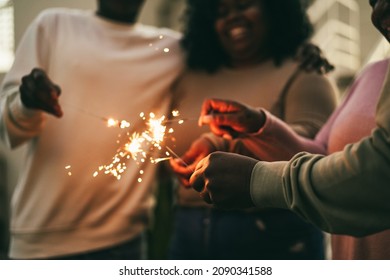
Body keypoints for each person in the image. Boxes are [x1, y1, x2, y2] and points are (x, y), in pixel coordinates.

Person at [189, 0, 390, 260]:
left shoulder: (304, 70)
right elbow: (323, 156)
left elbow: (378, 175)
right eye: (372, 0)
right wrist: (258, 126)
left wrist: (255, 180)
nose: (378, 10)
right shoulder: (372, 73)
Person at [0, 0, 183, 259]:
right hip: (42, 240)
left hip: (125, 240)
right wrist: (26, 104)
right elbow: (8, 131)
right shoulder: (53, 26)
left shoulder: (173, 50)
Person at [168, 0, 337, 259]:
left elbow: (312, 147)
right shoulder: (190, 72)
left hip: (273, 234)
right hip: (188, 230)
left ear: (273, 9)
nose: (233, 18)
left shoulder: (305, 69)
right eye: (221, 12)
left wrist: (222, 143)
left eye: (243, 5)